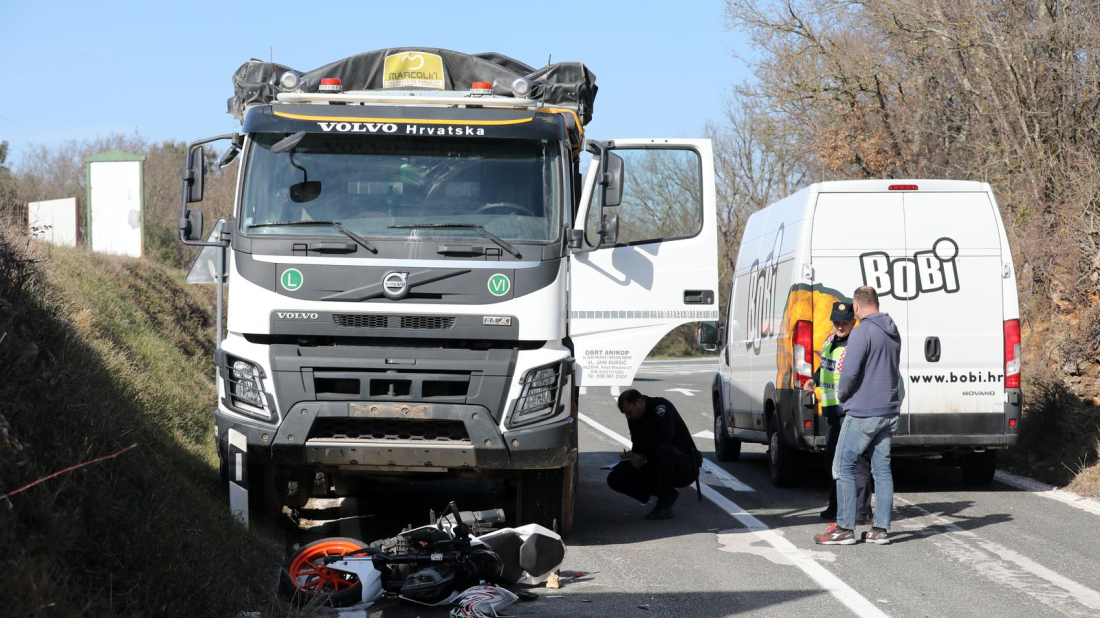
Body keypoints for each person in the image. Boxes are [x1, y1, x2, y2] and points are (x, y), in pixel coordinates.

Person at [815, 286, 902, 546]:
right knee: (882, 470)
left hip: (863, 411)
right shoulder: (892, 328)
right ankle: (880, 530)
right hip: (888, 409)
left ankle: (843, 527)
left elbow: (850, 373)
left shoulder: (861, 331)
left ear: (856, 306)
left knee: (842, 466)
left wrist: (842, 395)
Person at [802, 302, 873, 524]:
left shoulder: (856, 344)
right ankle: (836, 505)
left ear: (854, 321)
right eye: (836, 321)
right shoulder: (830, 341)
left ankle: (862, 510)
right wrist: (814, 378)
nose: (840, 326)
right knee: (833, 461)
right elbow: (825, 366)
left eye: (844, 322)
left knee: (857, 461)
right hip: (833, 411)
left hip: (851, 410)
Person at [608, 389, 701, 520]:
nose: (628, 417)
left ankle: (665, 499)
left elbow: (665, 439)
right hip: (656, 463)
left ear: (639, 402)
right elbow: (638, 444)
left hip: (684, 466)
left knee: (663, 449)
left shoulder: (660, 408)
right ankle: (664, 494)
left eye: (629, 412)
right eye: (625, 414)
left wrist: (642, 456)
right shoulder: (634, 418)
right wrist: (631, 457)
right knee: (615, 477)